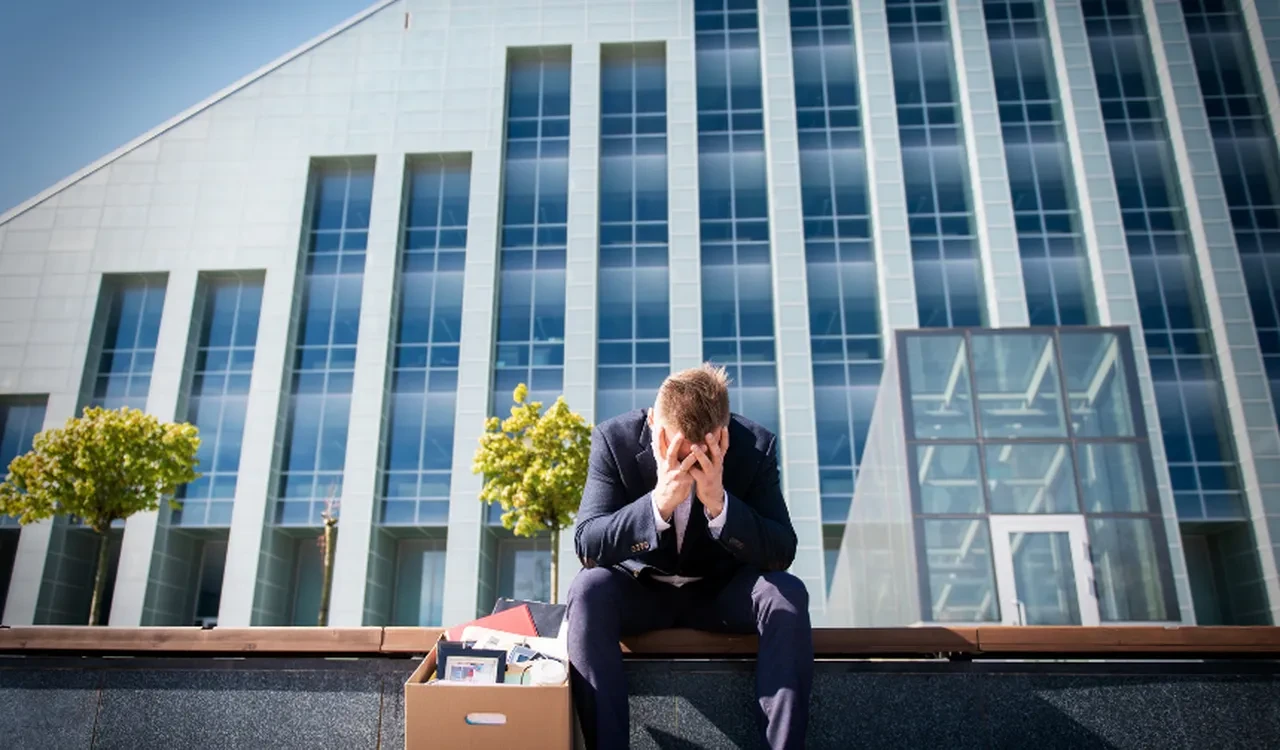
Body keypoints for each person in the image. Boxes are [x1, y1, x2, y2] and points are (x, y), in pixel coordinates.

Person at [568, 363, 813, 750]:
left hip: (720, 594)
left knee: (786, 593)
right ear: (652, 423)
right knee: (588, 589)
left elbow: (782, 551)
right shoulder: (613, 440)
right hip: (640, 592)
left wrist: (720, 505)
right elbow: (588, 544)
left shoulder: (756, 448)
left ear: (724, 435)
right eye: (675, 451)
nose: (685, 464)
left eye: (699, 456)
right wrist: (657, 506)